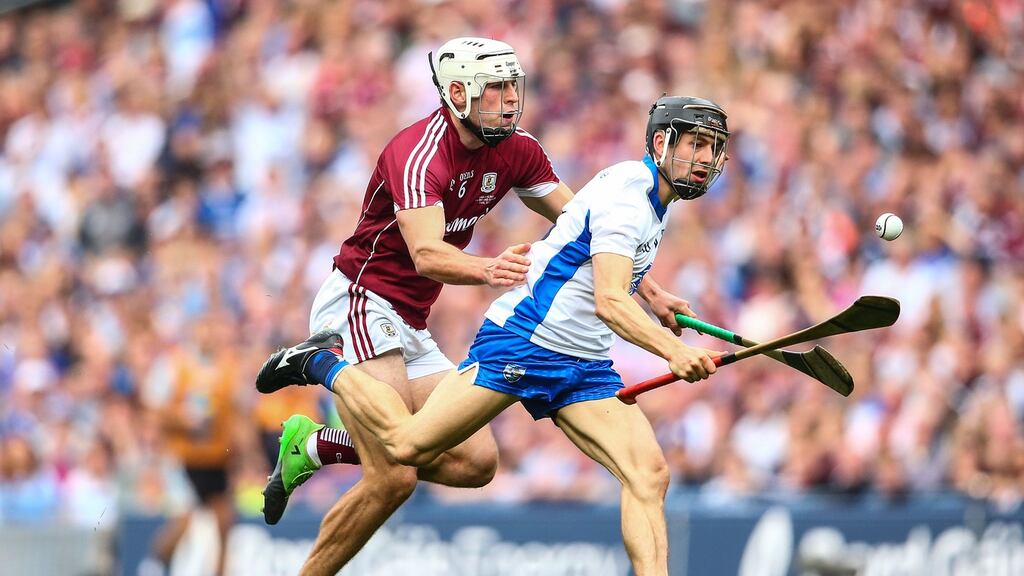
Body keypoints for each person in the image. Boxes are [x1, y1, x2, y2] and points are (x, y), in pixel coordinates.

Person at [258, 95, 731, 575]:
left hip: (583, 365)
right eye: (696, 145)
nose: (706, 159)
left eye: (714, 149)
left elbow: (595, 246)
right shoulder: (629, 196)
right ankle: (319, 363)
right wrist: (673, 350)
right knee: (404, 449)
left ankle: (319, 446)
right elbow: (609, 300)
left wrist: (654, 295)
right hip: (524, 342)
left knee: (646, 474)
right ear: (660, 142)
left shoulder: (653, 198)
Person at [257, 36, 578, 573]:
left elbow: (580, 228)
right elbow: (427, 254)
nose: (509, 100)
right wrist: (490, 269)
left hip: (410, 320)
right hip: (360, 302)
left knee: (477, 462)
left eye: (511, 87)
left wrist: (646, 285)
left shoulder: (519, 148)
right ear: (457, 94)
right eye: (494, 89)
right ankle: (317, 361)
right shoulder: (417, 153)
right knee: (395, 476)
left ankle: (314, 448)